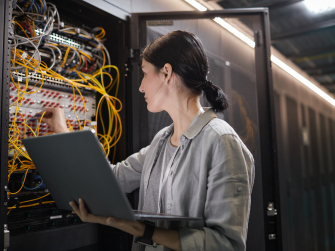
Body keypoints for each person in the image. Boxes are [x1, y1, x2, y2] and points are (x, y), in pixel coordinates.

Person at [39, 30, 255, 251]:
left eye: (144, 73)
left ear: (166, 73)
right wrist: (64, 133)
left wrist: (142, 230)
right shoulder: (161, 141)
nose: (141, 86)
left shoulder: (222, 142)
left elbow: (227, 245)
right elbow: (113, 179)